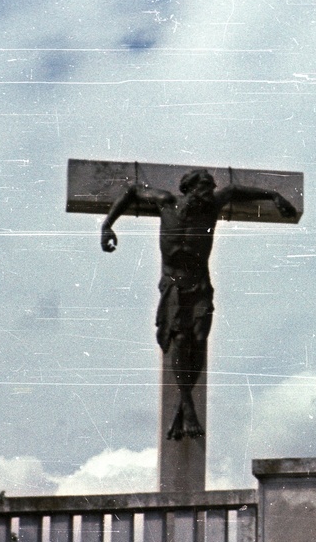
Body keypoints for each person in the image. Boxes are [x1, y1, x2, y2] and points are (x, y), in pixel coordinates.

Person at [100, 168, 298, 440]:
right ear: (189, 188)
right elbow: (131, 191)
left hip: (199, 283)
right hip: (173, 284)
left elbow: (238, 191)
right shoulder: (166, 202)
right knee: (180, 340)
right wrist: (107, 224)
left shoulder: (211, 207)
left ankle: (184, 406)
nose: (209, 191)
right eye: (205, 186)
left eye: (211, 187)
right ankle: (188, 407)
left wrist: (275, 195)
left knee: (199, 337)